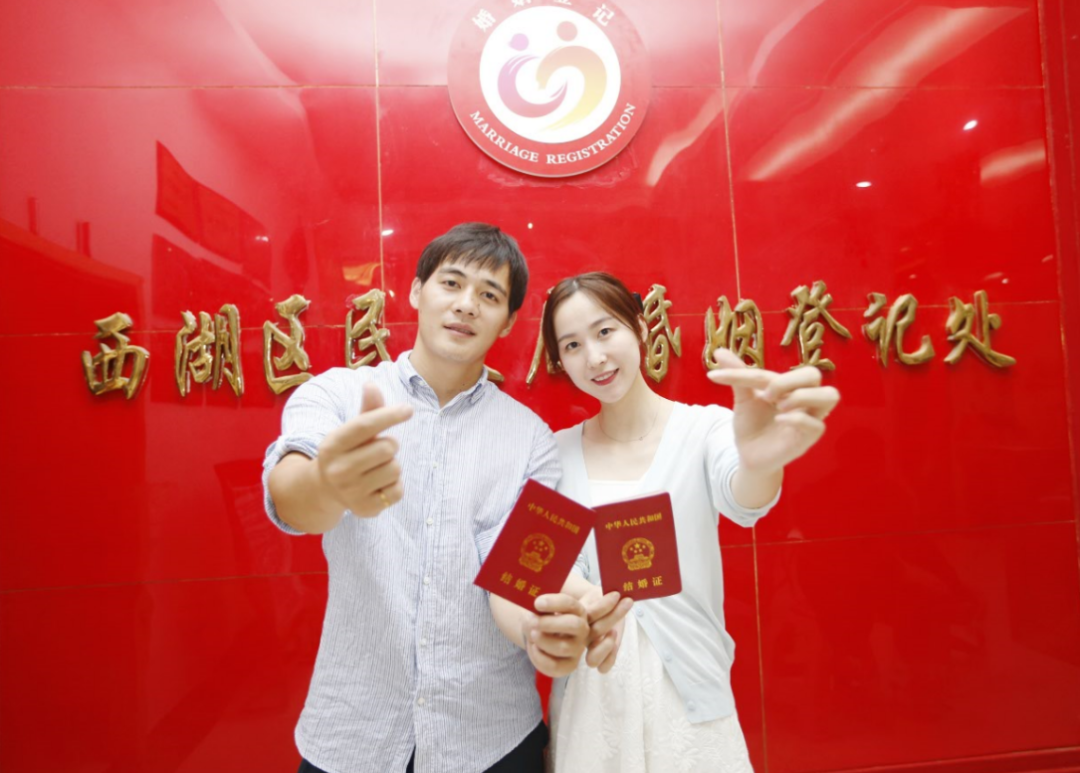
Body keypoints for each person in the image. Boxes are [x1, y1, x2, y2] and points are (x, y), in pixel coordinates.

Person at [262, 224, 616, 773]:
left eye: (489, 295)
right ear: (416, 290)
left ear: (508, 321)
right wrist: (329, 485)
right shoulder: (337, 395)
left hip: (491, 739)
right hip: (353, 734)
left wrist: (535, 630)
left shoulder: (531, 440)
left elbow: (518, 571)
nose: (466, 304)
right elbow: (291, 500)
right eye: (451, 283)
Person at [540, 272, 840, 772]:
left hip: (690, 702)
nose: (594, 357)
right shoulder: (555, 454)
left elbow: (743, 498)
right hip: (592, 707)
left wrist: (761, 463)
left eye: (605, 331)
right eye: (572, 345)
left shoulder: (705, 429)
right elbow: (540, 569)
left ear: (640, 327)